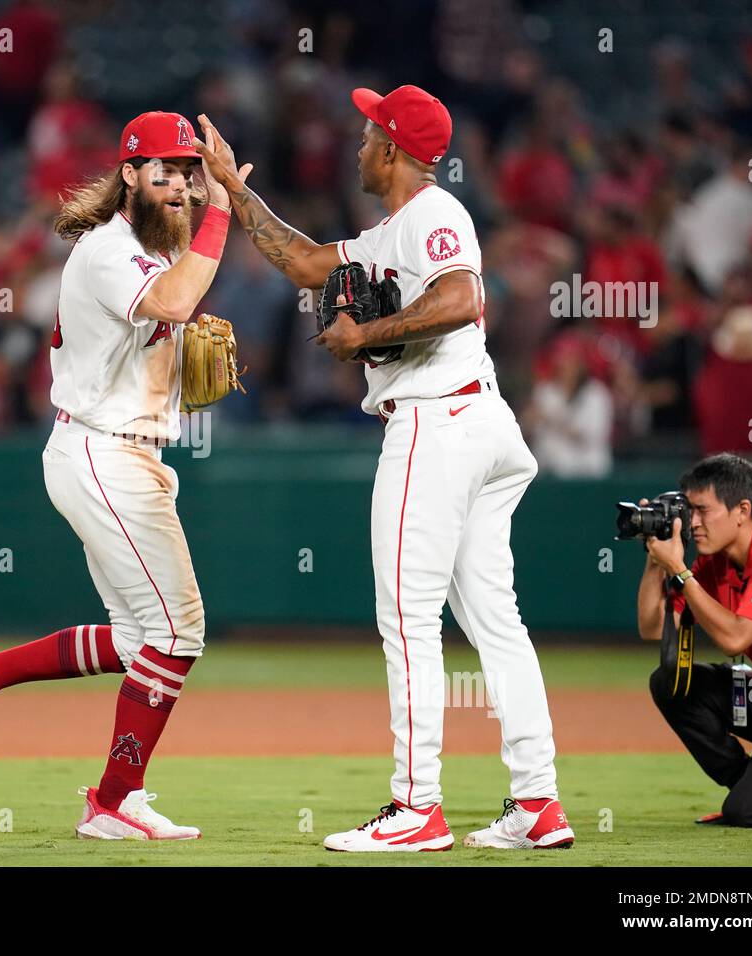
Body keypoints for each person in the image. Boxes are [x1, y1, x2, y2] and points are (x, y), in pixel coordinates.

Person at [199, 86, 573, 852]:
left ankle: (416, 807)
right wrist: (236, 191)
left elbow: (464, 297)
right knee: (496, 624)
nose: (359, 146)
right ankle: (537, 803)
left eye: (370, 135)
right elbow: (305, 263)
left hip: (439, 424)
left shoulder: (435, 213)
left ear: (395, 150)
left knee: (407, 621)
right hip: (476, 424)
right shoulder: (392, 231)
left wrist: (366, 328)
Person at [0, 111, 244, 840]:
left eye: (189, 173)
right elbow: (172, 304)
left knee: (139, 641)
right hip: (104, 453)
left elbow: (168, 304)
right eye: (164, 169)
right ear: (129, 174)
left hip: (118, 452)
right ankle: (112, 800)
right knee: (180, 633)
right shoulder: (110, 250)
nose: (181, 185)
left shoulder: (149, 252)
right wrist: (223, 208)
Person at [640, 453, 752, 827]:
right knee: (671, 683)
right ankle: (748, 783)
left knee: (747, 812)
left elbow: (735, 638)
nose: (693, 523)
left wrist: (680, 571)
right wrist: (655, 562)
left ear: (741, 510)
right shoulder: (715, 562)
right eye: (689, 510)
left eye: (702, 511)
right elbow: (653, 628)